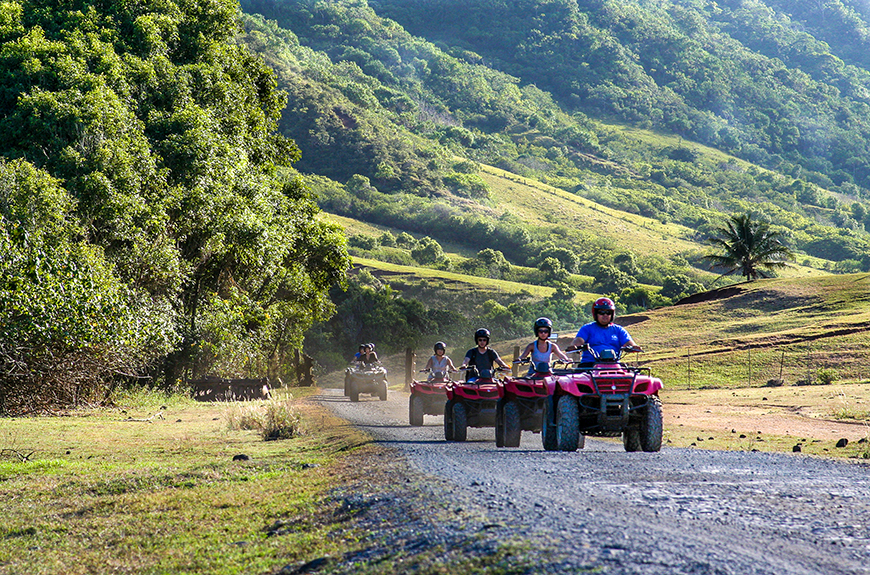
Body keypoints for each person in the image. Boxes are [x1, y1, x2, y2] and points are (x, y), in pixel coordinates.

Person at [566, 297, 643, 366]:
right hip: (589, 365)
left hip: (614, 365)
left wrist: (633, 347)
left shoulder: (619, 330)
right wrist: (575, 346)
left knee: (631, 377)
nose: (605, 315)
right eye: (601, 312)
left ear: (612, 314)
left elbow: (628, 343)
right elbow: (579, 340)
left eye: (608, 312)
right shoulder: (587, 328)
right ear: (595, 314)